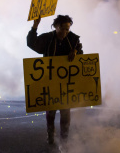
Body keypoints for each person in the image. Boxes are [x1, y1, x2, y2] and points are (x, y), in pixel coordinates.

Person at [27, 15, 83, 145]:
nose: (65, 32)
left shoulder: (73, 39)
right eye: (62, 29)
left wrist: (76, 51)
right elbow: (32, 43)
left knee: (65, 112)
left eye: (67, 29)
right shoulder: (48, 38)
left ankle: (64, 139)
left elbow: (81, 54)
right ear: (56, 26)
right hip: (50, 81)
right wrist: (35, 26)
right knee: (51, 110)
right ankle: (51, 135)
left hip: (66, 83)